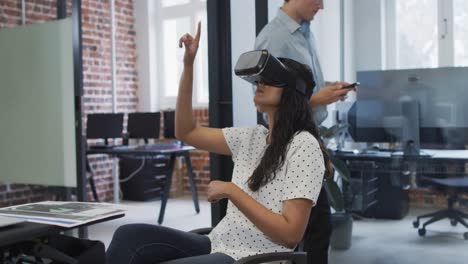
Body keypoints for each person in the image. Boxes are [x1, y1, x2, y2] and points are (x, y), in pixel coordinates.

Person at [106, 23, 332, 264]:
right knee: (128, 236)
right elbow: (187, 131)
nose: (259, 84)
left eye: (270, 80)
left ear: (292, 92)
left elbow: (290, 234)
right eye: (259, 79)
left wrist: (231, 191)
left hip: (252, 258)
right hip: (218, 244)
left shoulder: (303, 146)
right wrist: (189, 65)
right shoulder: (251, 137)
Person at [255, 1, 355, 263]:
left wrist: (325, 90)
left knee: (317, 228)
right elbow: (268, 103)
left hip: (305, 137)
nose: (322, 6)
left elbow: (296, 90)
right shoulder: (275, 38)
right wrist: (318, 98)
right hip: (290, 143)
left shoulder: (304, 34)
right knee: (315, 229)